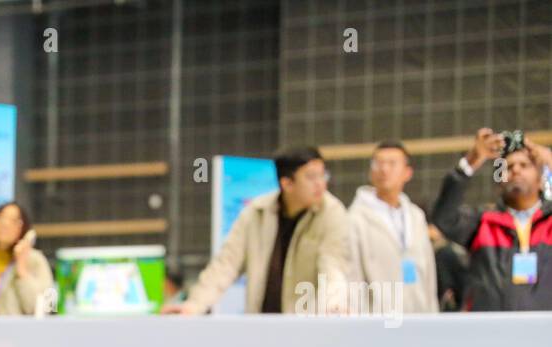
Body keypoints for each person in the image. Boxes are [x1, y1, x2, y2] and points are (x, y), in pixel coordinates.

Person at [166, 146, 350, 315]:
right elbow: (226, 264)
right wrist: (194, 305)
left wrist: (333, 304)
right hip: (260, 323)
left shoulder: (332, 213)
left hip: (305, 325)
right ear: (287, 184)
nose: (320, 184)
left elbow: (333, 265)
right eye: (311, 177)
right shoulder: (257, 212)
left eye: (323, 175)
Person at [431, 127, 552, 311]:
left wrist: (550, 163)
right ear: (499, 180)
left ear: (540, 178)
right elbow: (444, 219)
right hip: (491, 333)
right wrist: (471, 161)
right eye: (508, 167)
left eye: (524, 165)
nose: (516, 170)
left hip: (544, 334)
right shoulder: (484, 222)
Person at [347, 140, 438, 312]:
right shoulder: (355, 219)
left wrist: (432, 315)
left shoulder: (416, 216)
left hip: (419, 318)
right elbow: (354, 278)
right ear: (370, 172)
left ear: (407, 172)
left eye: (392, 164)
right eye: (378, 164)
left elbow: (429, 274)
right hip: (378, 322)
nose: (384, 169)